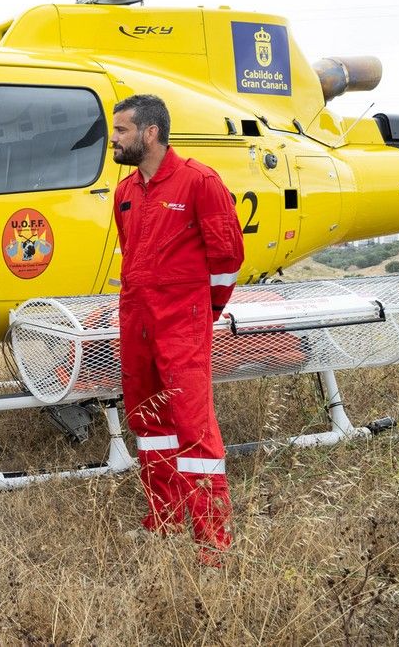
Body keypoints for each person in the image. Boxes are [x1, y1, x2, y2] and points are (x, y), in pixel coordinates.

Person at [109, 94, 244, 566]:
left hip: (182, 325)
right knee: (148, 421)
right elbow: (133, 257)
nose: (114, 139)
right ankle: (163, 519)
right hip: (137, 321)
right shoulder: (124, 192)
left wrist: (203, 311)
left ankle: (212, 542)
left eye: (122, 130)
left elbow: (228, 258)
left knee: (193, 428)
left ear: (150, 133)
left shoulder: (199, 182)